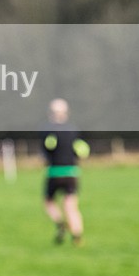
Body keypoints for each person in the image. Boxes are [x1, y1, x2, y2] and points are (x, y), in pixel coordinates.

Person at [40, 98, 89, 246]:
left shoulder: (47, 132)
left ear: (51, 113)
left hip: (54, 172)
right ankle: (77, 236)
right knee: (71, 206)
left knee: (49, 202)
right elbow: (82, 151)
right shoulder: (73, 131)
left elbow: (46, 151)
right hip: (72, 172)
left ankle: (60, 222)